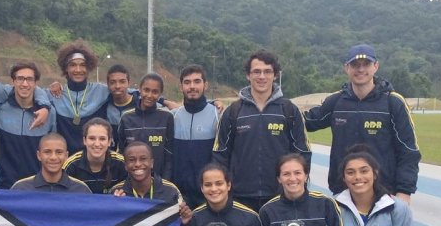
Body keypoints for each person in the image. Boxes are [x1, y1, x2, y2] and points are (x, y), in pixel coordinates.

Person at [304, 44, 421, 202]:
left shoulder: (393, 103)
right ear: (347, 68)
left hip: (384, 193)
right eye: (355, 65)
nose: (360, 69)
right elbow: (306, 122)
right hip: (343, 192)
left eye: (366, 64)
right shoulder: (336, 102)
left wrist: (405, 191)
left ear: (376, 66)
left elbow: (408, 151)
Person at [213, 50, 311, 213]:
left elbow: (302, 152)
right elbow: (220, 154)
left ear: (275, 75)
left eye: (267, 71)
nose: (262, 76)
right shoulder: (233, 111)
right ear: (248, 75)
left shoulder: (289, 110)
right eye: (256, 71)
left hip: (281, 196)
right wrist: (225, 189)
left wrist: (298, 188)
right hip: (240, 196)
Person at [0, 61, 56, 189]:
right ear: (13, 81)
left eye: (30, 79)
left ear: (35, 83)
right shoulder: (0, 111)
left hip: (39, 188)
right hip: (7, 187)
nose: (25, 84)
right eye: (20, 78)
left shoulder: (49, 113)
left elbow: (53, 149)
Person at [47, 40, 111, 154]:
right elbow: (35, 93)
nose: (78, 70)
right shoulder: (54, 94)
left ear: (89, 67)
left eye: (83, 65)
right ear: (65, 68)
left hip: (95, 159)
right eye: (73, 65)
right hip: (65, 163)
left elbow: (125, 91)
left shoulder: (102, 92)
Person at [171, 64, 220, 210]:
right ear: (181, 87)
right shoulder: (173, 116)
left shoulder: (218, 115)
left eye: (197, 81)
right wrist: (163, 101)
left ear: (205, 85)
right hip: (180, 194)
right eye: (187, 82)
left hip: (208, 192)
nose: (192, 86)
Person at [117, 73, 174, 180]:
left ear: (160, 94)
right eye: (146, 90)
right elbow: (121, 152)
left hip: (159, 181)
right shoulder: (126, 117)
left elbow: (169, 154)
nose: (149, 95)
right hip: (132, 181)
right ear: (140, 90)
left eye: (155, 92)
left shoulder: (167, 117)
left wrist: (165, 181)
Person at [63, 117, 127, 194]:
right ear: (84, 140)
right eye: (92, 138)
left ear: (109, 141)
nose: (97, 144)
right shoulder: (71, 165)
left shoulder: (121, 164)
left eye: (102, 139)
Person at [11, 133, 91, 193]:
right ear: (39, 155)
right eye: (47, 152)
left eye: (59, 152)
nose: (53, 157)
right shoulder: (20, 188)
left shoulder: (81, 190)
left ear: (66, 156)